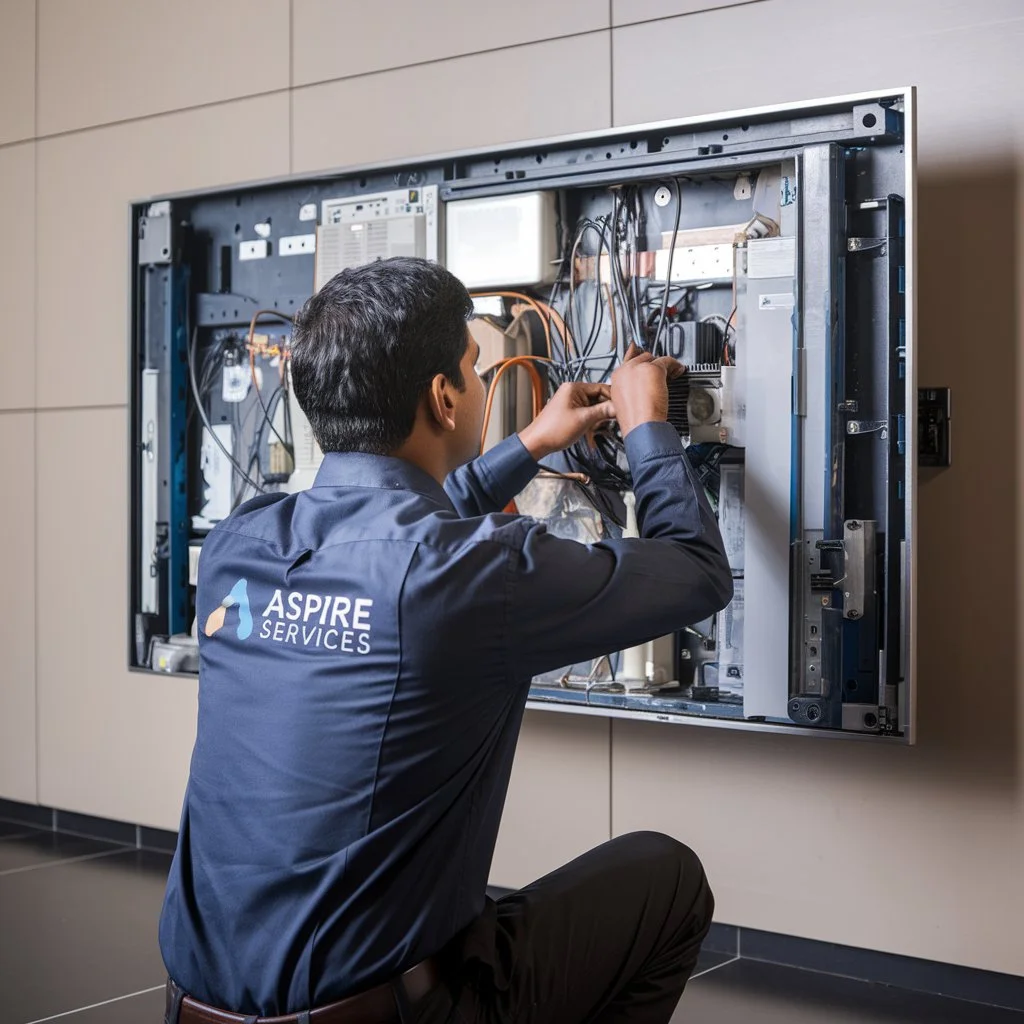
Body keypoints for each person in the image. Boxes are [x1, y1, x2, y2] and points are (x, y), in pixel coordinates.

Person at [160, 256, 733, 1024]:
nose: (476, 378)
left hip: (193, 1009)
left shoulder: (242, 542)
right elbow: (695, 572)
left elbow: (399, 537)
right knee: (667, 878)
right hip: (389, 1018)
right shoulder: (476, 570)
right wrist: (648, 426)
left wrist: (527, 443)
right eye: (473, 365)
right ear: (443, 397)